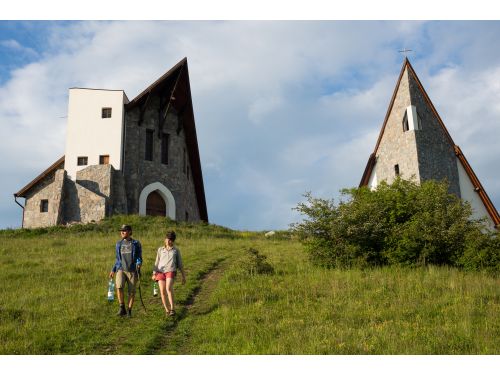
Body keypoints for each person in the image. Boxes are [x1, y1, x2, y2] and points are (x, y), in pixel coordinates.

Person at [109, 224, 143, 317]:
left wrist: (139, 262)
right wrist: (113, 270)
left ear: (129, 232)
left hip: (132, 270)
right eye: (121, 231)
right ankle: (122, 308)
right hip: (121, 269)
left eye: (124, 230)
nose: (122, 232)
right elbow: (117, 258)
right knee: (119, 287)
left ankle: (129, 311)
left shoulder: (136, 243)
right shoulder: (118, 244)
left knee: (131, 292)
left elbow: (139, 257)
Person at [152, 231, 186, 316]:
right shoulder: (160, 249)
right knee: (162, 291)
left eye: (170, 240)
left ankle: (172, 309)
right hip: (160, 272)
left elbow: (180, 264)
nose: (168, 241)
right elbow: (157, 262)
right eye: (167, 239)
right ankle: (167, 310)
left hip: (171, 271)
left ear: (173, 241)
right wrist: (154, 273)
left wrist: (183, 276)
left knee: (168, 288)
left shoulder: (176, 250)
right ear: (165, 239)